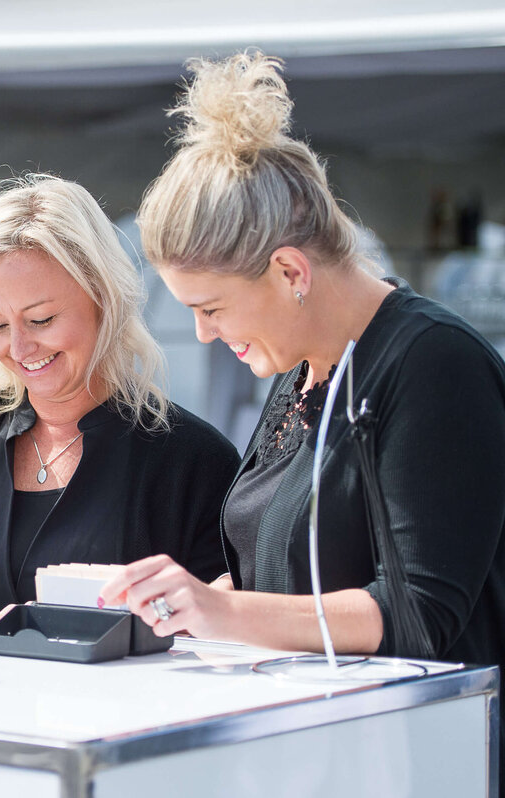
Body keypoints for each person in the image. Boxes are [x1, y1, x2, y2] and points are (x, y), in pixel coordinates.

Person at [102, 52, 505, 677]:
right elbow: (283, 583)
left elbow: (419, 613)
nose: (205, 334)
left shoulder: (434, 363)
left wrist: (220, 610)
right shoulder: (303, 367)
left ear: (290, 271)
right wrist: (172, 611)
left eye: (211, 308)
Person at [0, 174, 239, 621]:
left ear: (102, 298)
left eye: (42, 319)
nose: (18, 348)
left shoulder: (194, 460)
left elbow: (223, 630)